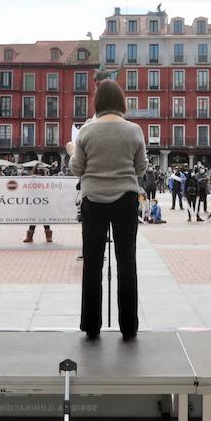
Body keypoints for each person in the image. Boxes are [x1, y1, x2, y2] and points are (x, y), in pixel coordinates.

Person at [68, 78, 146, 341]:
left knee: (92, 263)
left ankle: (91, 325)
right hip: (126, 199)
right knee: (127, 263)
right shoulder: (134, 130)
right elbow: (141, 168)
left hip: (94, 201)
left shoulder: (87, 132)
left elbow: (77, 169)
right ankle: (129, 326)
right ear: (121, 101)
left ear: (97, 102)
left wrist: (70, 150)